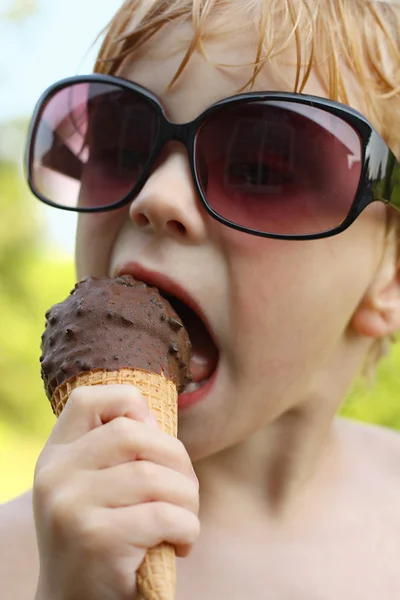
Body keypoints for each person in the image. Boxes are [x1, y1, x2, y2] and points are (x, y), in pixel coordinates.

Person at [2, 0, 400, 598]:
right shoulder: (19, 561)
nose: (157, 196)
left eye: (264, 168)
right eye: (117, 143)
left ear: (391, 277)